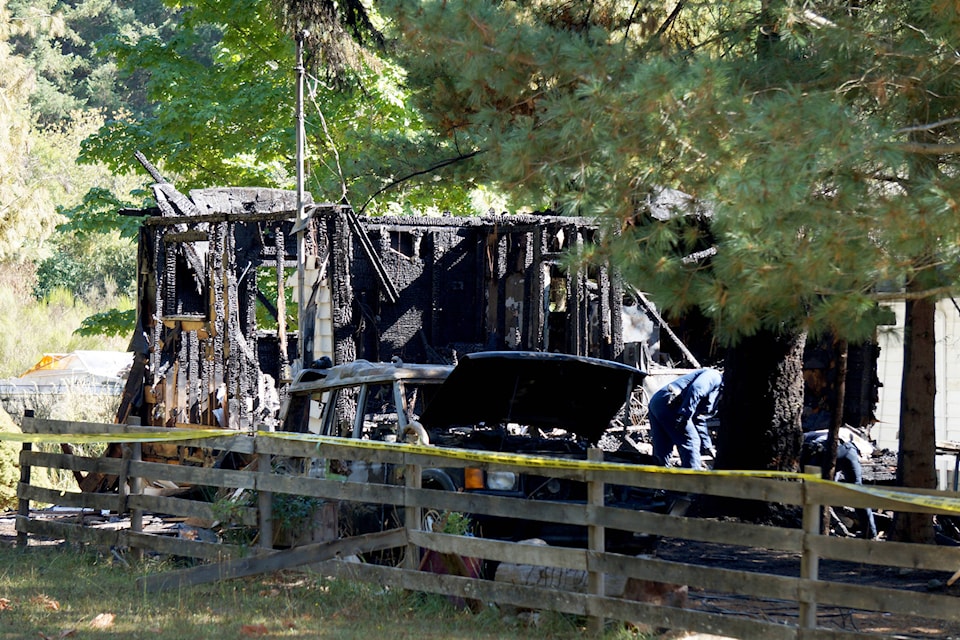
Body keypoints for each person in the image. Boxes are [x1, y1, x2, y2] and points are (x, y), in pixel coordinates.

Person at [801, 429, 878, 539]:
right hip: (847, 450)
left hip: (823, 451)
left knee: (817, 492)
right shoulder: (819, 433)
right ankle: (870, 532)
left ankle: (819, 529)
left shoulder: (803, 440)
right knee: (857, 491)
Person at [649, 368, 722, 469]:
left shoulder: (718, 391)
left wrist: (707, 446)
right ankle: (692, 481)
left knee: (662, 449)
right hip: (670, 402)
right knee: (691, 442)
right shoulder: (715, 376)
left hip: (658, 403)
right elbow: (697, 388)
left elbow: (698, 418)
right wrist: (684, 415)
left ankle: (656, 481)